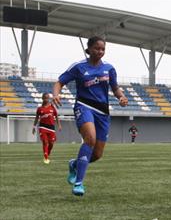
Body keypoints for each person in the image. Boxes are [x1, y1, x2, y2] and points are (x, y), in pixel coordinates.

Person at [52, 36, 128, 196]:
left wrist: (121, 96)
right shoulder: (79, 67)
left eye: (103, 49)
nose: (100, 51)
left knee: (98, 154)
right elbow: (59, 82)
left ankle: (74, 164)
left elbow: (115, 88)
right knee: (90, 139)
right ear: (89, 49)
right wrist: (56, 95)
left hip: (102, 112)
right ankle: (79, 183)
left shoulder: (109, 68)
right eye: (97, 48)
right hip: (84, 106)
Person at [32, 93, 62, 164]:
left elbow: (56, 116)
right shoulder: (40, 109)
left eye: (47, 98)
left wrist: (59, 125)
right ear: (42, 98)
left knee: (51, 143)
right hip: (42, 127)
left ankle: (47, 154)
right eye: (45, 98)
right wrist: (34, 127)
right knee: (45, 142)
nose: (46, 99)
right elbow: (36, 118)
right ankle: (46, 157)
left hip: (51, 128)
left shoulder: (52, 107)